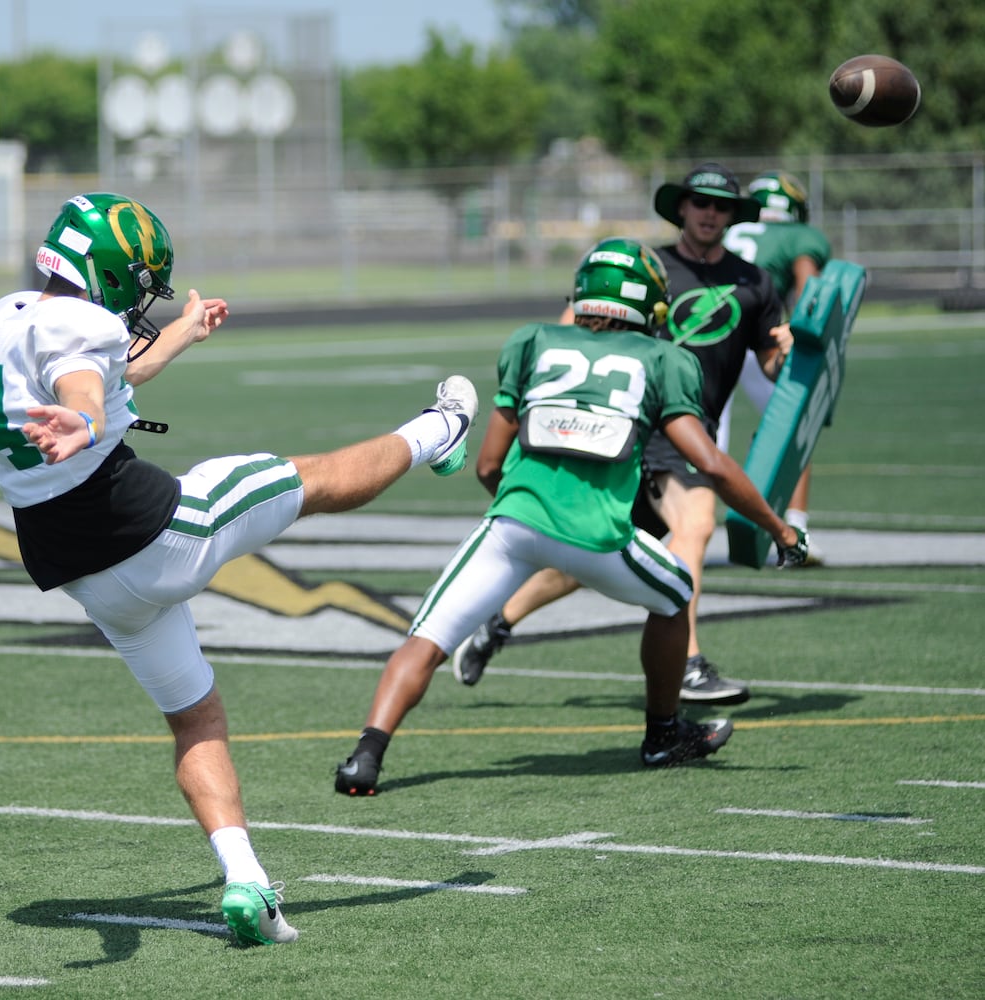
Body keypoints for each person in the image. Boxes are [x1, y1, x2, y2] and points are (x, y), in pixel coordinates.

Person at [0, 193, 479, 945]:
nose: (140, 298)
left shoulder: (4, 317)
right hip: (160, 531)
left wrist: (177, 336)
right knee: (318, 477)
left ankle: (245, 882)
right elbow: (84, 383)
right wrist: (81, 419)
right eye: (138, 281)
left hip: (81, 570)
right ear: (107, 270)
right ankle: (441, 430)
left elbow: (102, 372)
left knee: (195, 716)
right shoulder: (82, 328)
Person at [333, 237, 807, 797]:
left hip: (513, 523)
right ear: (649, 304)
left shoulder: (532, 341)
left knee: (428, 638)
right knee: (675, 594)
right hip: (598, 536)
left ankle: (365, 757)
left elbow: (488, 464)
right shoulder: (663, 359)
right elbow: (709, 462)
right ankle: (662, 736)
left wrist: (520, 510)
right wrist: (779, 528)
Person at [452, 163, 792, 706]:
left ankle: (498, 622)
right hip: (625, 425)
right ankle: (688, 664)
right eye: (699, 202)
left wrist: (787, 350)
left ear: (733, 215)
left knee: (587, 560)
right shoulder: (644, 268)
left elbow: (772, 365)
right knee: (697, 523)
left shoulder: (755, 282)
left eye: (721, 205)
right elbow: (571, 329)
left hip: (687, 427)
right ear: (680, 207)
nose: (709, 212)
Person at [720, 170, 832, 563]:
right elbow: (809, 291)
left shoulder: (727, 228)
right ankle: (796, 529)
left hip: (705, 334)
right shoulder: (801, 237)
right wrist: (806, 335)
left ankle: (680, 533)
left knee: (700, 442)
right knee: (793, 427)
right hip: (758, 339)